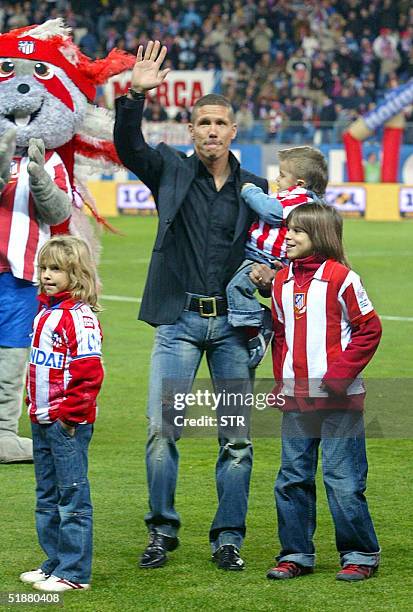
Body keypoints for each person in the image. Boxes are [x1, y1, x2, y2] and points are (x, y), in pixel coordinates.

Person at [114, 40, 268, 571]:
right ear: (190, 130)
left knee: (237, 440)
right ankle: (161, 532)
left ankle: (228, 538)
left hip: (233, 328)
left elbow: (268, 252)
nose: (210, 131)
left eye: (219, 123)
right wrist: (134, 95)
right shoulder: (169, 171)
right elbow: (128, 146)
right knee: (162, 431)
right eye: (202, 122)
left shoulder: (256, 188)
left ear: (232, 131)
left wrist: (266, 275)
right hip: (177, 322)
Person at [267, 203, 381, 582]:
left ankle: (360, 553)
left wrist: (336, 379)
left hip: (338, 402)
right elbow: (280, 336)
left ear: (320, 235)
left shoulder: (342, 279)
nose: (289, 236)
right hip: (296, 400)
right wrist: (281, 382)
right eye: (288, 230)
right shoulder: (281, 281)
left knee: (342, 478)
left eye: (298, 231)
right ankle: (296, 552)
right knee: (291, 478)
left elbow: (369, 330)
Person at [20, 236, 104, 593]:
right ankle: (53, 562)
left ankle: (74, 572)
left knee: (72, 497)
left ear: (77, 273)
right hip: (41, 419)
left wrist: (69, 417)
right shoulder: (45, 312)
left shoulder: (79, 320)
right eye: (43, 268)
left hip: (65, 424)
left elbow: (89, 374)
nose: (46, 275)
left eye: (56, 268)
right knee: (47, 495)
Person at [226, 146, 327, 368]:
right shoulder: (290, 195)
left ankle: (257, 330)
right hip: (255, 253)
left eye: (282, 175)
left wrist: (249, 191)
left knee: (235, 289)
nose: (276, 179)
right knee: (231, 288)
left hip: (262, 256)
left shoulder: (300, 199)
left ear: (299, 183)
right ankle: (255, 321)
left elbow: (272, 211)